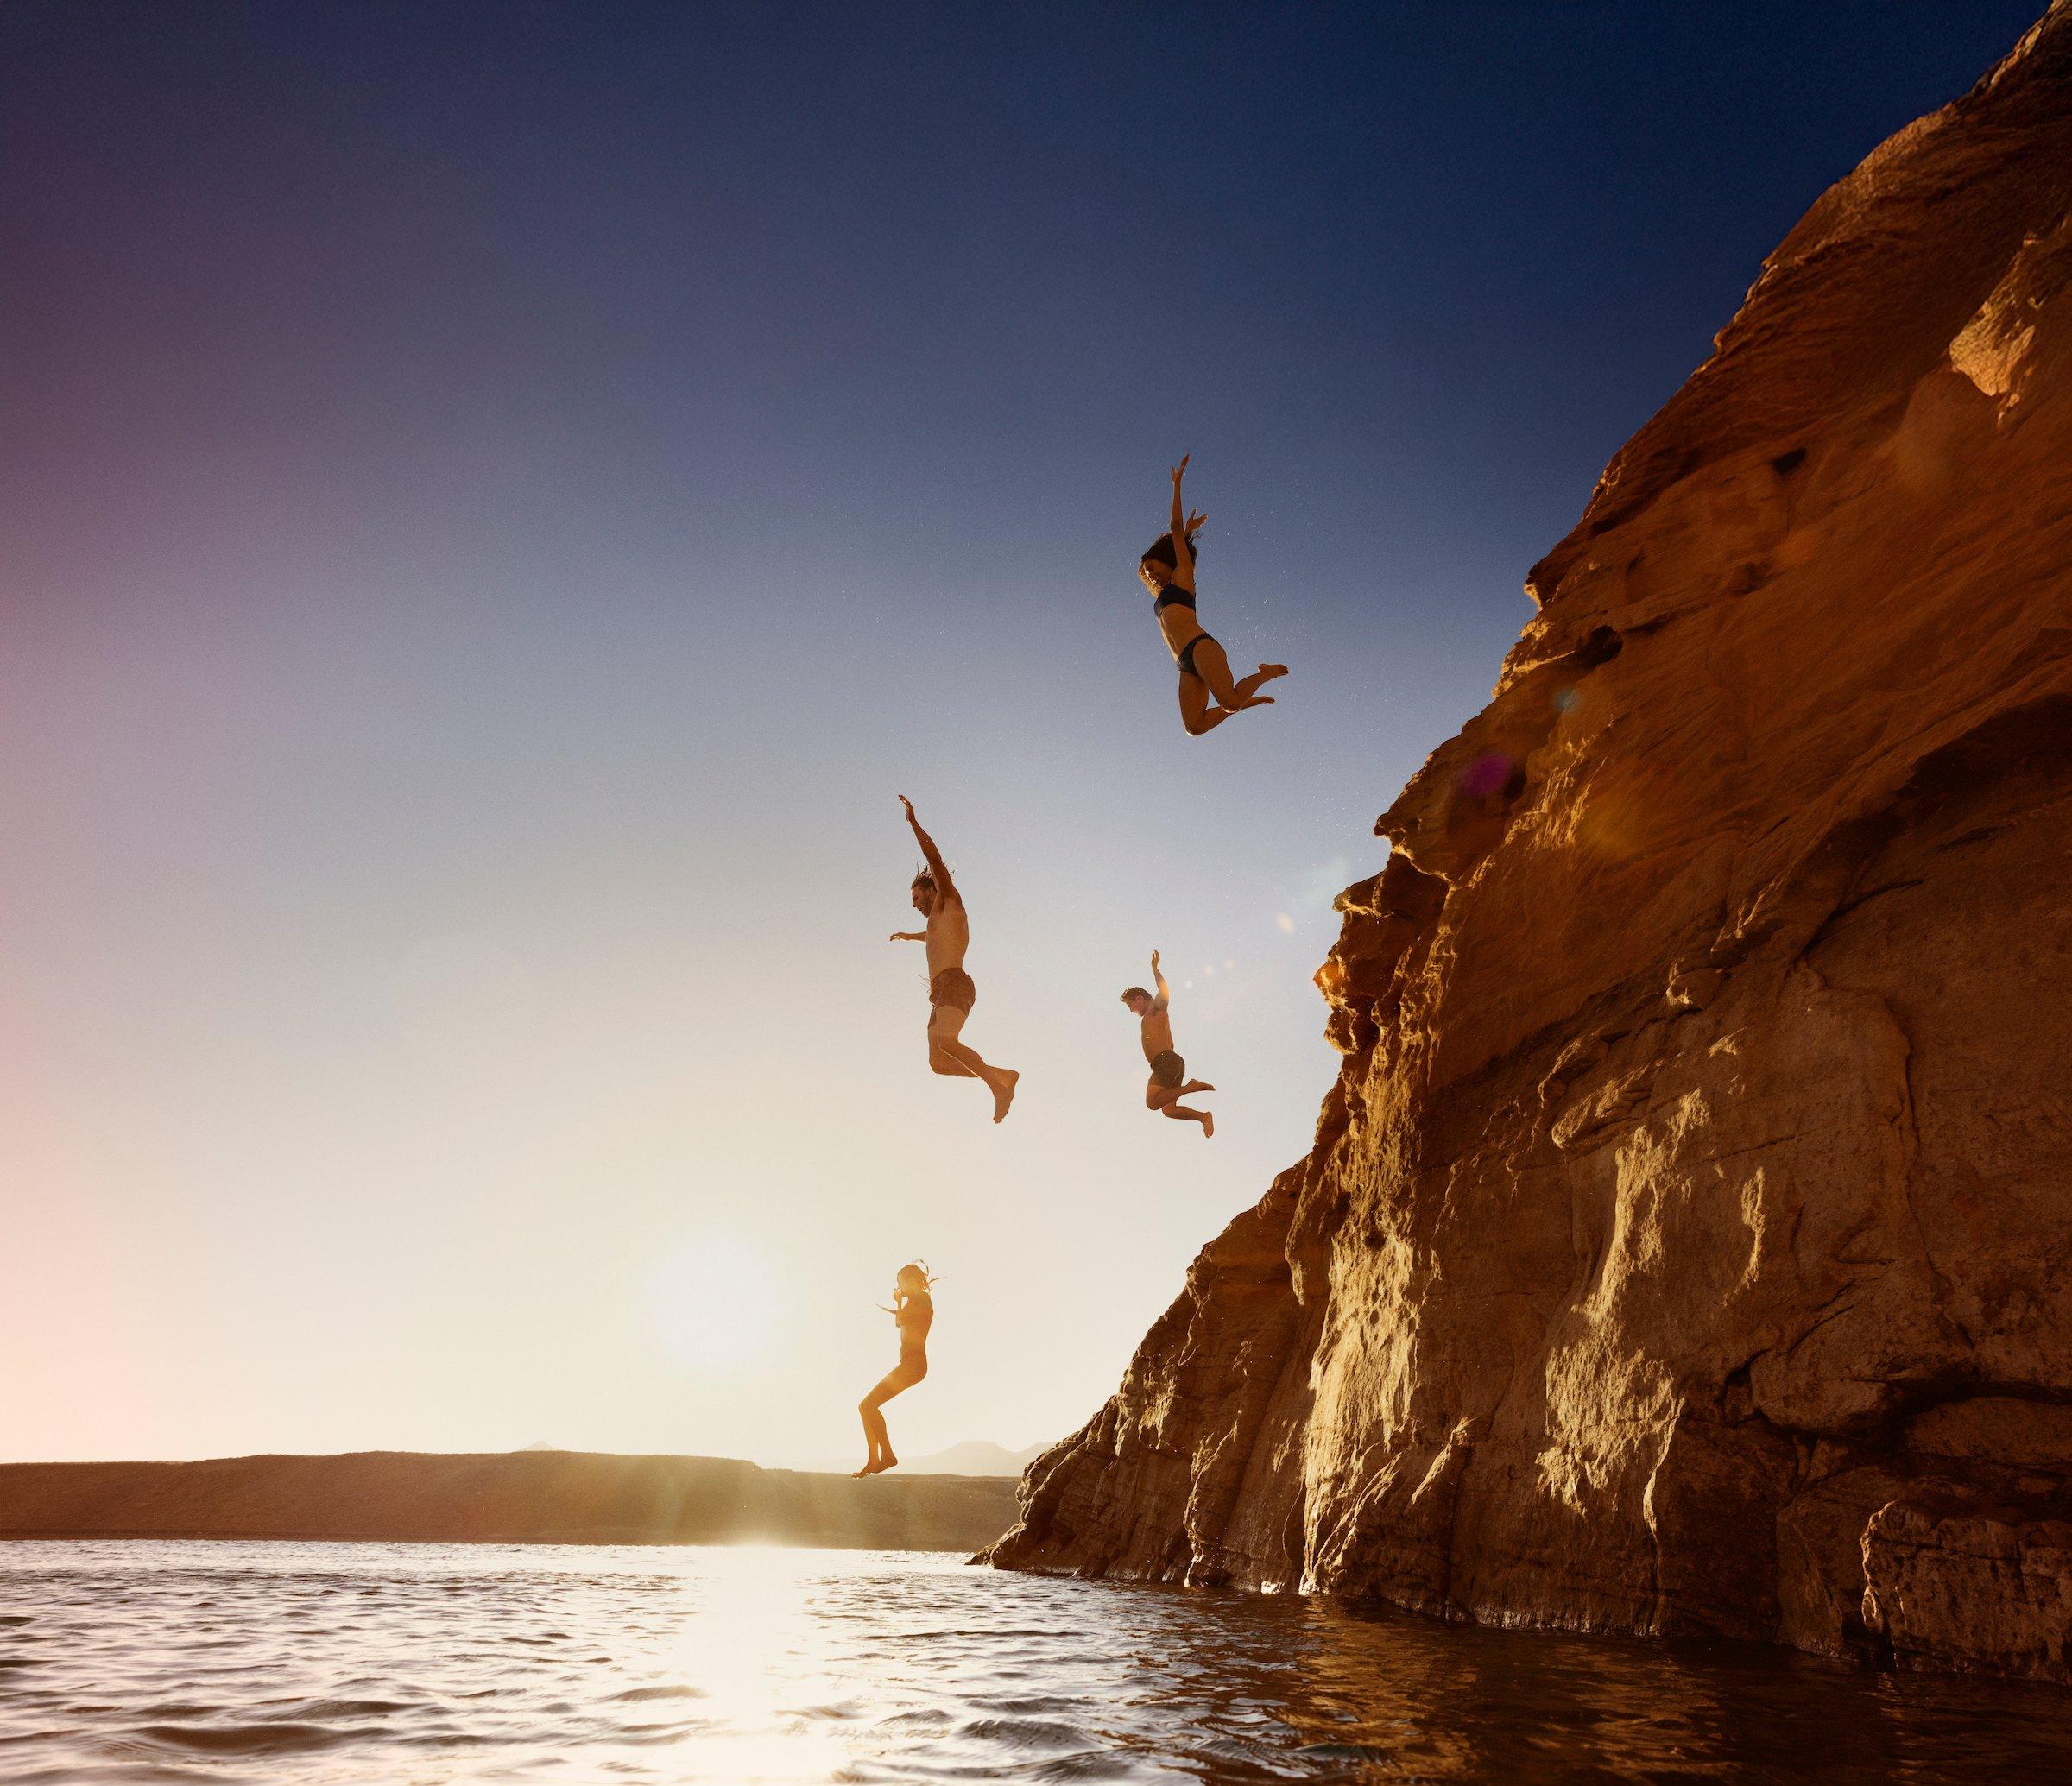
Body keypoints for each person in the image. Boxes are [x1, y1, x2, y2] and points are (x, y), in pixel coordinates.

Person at [889, 795, 1018, 1122]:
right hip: (939, 992)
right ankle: (1002, 1075)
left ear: (930, 889)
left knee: (948, 1041)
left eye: (917, 897)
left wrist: (913, 824)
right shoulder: (935, 924)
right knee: (939, 1062)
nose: (915, 905)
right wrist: (908, 936)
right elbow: (931, 939)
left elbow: (934, 858)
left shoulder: (949, 903)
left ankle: (999, 1087)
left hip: (955, 983)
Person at [1140, 454, 1286, 735]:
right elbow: (1168, 549)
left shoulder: (1183, 576)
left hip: (1200, 647)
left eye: (1152, 567)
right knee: (1194, 727)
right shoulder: (1162, 594)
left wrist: (1177, 486)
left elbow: (1173, 533)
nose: (1150, 575)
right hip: (1184, 664)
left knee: (1229, 702)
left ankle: (1263, 674)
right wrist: (1187, 533)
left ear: (1164, 558)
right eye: (1146, 573)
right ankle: (1245, 701)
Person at [1121, 949, 1215, 1136]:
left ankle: (1191, 1086)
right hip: (1172, 1062)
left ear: (1139, 998)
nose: (1131, 1010)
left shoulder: (1154, 1009)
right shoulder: (1152, 1016)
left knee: (1152, 1102)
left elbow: (1164, 991)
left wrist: (1155, 968)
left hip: (1165, 1062)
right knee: (1169, 1110)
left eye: (1131, 1005)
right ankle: (1203, 1117)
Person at [856, 1261, 935, 1476]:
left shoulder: (922, 1300)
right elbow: (900, 1324)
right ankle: (876, 1459)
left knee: (867, 1406)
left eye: (901, 1282)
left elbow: (902, 1319)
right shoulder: (916, 1301)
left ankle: (886, 1457)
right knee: (866, 1407)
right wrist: (901, 1301)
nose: (899, 1287)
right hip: (910, 1365)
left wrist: (899, 1302)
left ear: (911, 1281)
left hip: (914, 1365)